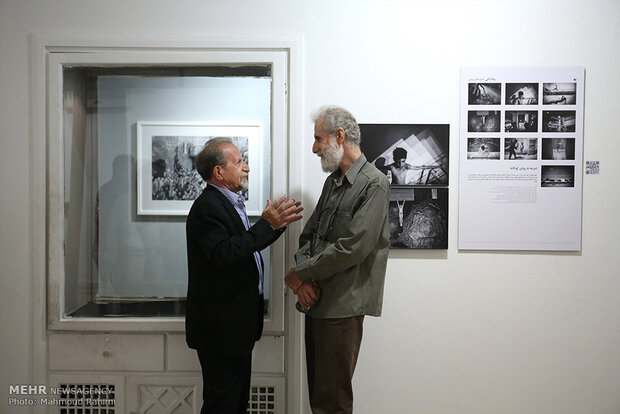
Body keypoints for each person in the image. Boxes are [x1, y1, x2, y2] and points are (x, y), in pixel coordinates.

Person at [284, 105, 390, 414]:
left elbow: (352, 248)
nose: (314, 148)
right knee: (320, 398)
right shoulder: (333, 182)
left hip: (342, 307)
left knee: (333, 402)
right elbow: (309, 237)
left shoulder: (374, 184)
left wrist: (300, 274)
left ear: (339, 136)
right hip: (316, 302)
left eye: (318, 138)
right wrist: (302, 278)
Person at [185, 137, 303, 414]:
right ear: (219, 172)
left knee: (235, 403)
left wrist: (274, 225)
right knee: (222, 404)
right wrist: (266, 225)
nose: (246, 167)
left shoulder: (226, 202)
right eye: (239, 162)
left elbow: (244, 247)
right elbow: (223, 254)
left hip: (233, 327)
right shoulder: (207, 208)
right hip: (220, 330)